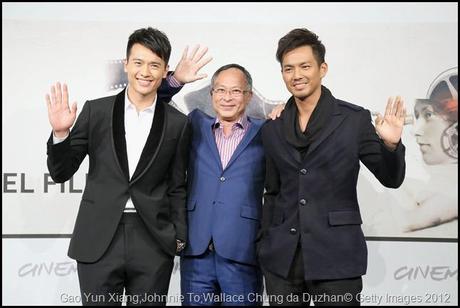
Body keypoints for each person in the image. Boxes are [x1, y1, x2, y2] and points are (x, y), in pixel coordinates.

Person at [45, 27, 210, 306]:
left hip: (152, 240)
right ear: (126, 64)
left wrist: (178, 237)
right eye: (138, 62)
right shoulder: (96, 112)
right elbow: (61, 172)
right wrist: (61, 134)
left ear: (165, 70)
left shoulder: (177, 123)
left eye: (154, 65)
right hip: (98, 239)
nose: (145, 72)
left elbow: (177, 185)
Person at [257, 28, 406, 306]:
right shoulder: (272, 127)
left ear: (322, 68)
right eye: (288, 69)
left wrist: (391, 146)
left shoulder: (353, 119)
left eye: (305, 66)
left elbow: (391, 178)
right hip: (283, 261)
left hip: (337, 257)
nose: (296, 75)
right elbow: (272, 192)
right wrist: (266, 243)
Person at [180, 64, 265, 306]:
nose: (227, 98)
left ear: (248, 96)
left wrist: (285, 109)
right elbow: (155, 106)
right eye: (220, 90)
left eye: (236, 91)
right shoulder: (194, 124)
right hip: (197, 251)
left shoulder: (267, 131)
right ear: (212, 94)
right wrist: (176, 81)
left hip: (242, 250)